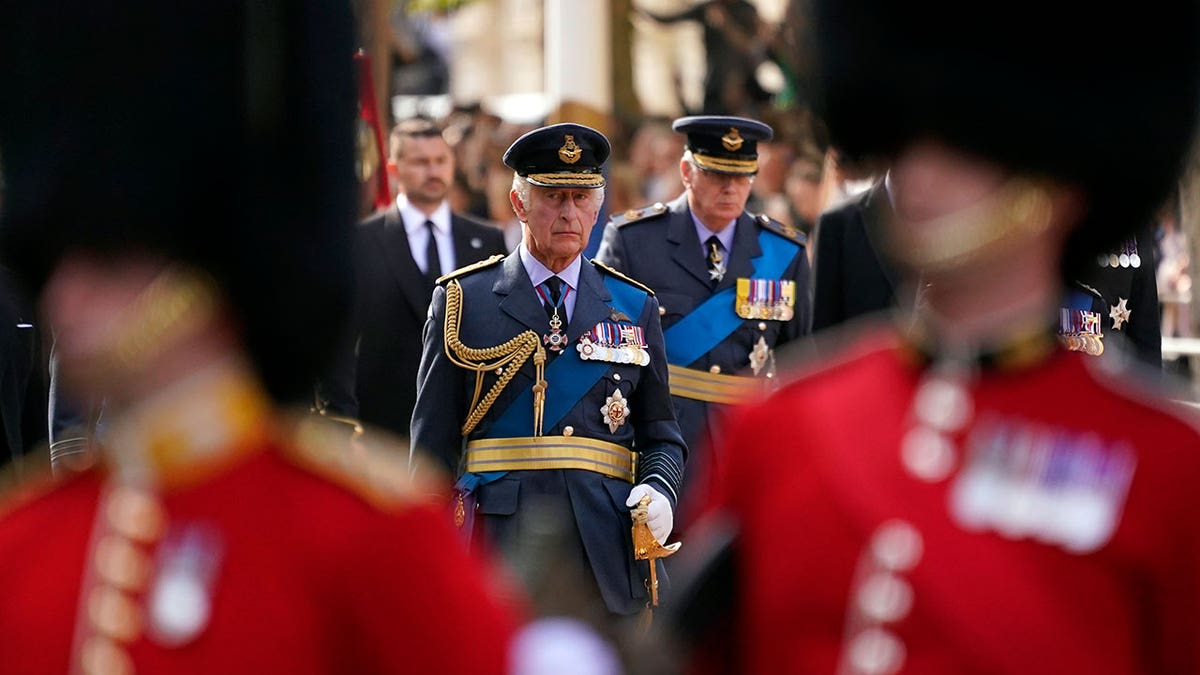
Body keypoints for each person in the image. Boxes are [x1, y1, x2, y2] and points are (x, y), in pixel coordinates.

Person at [669, 1, 1200, 672]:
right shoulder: (777, 431)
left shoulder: (1165, 472)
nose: (918, 165)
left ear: (1054, 166)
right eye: (904, 129)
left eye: (964, 140)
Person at [0, 3, 518, 673]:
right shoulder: (24, 538)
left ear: (201, 272)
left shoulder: (367, 541)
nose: (64, 292)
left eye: (108, 260)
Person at [410, 123, 687, 618]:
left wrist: (659, 487)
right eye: (552, 196)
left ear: (598, 207)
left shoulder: (633, 304)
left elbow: (661, 433)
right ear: (518, 204)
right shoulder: (462, 301)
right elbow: (432, 447)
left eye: (581, 198)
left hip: (602, 539)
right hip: (497, 538)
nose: (568, 212)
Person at [595, 116, 811, 507]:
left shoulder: (783, 252)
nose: (730, 188)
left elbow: (801, 362)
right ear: (686, 171)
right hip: (663, 439)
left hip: (747, 441)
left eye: (742, 177)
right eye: (715, 175)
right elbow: (601, 352)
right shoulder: (634, 240)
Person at [322, 118, 506, 438]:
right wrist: (345, 424)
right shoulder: (360, 242)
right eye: (421, 162)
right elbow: (338, 343)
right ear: (394, 170)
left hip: (467, 430)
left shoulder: (486, 240)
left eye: (440, 161)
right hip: (382, 430)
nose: (433, 172)